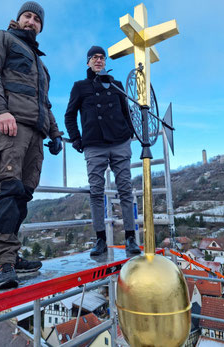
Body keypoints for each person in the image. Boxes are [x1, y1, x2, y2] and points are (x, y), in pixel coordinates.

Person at [0, 1, 63, 289]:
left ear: (41, 26)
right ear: (18, 18)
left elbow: (45, 104)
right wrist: (0, 111)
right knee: (7, 189)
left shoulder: (42, 65)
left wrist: (56, 134)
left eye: (37, 20)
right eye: (27, 16)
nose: (31, 21)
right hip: (10, 126)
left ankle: (12, 256)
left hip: (36, 135)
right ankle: (2, 263)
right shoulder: (0, 38)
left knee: (23, 195)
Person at [64, 46, 141, 256]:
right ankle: (100, 240)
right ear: (88, 62)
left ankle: (130, 238)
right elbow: (69, 116)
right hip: (94, 145)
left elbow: (127, 112)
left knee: (125, 189)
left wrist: (131, 135)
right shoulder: (79, 87)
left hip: (120, 142)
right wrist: (76, 139)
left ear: (105, 62)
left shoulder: (115, 85)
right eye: (94, 58)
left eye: (101, 57)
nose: (98, 60)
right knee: (96, 191)